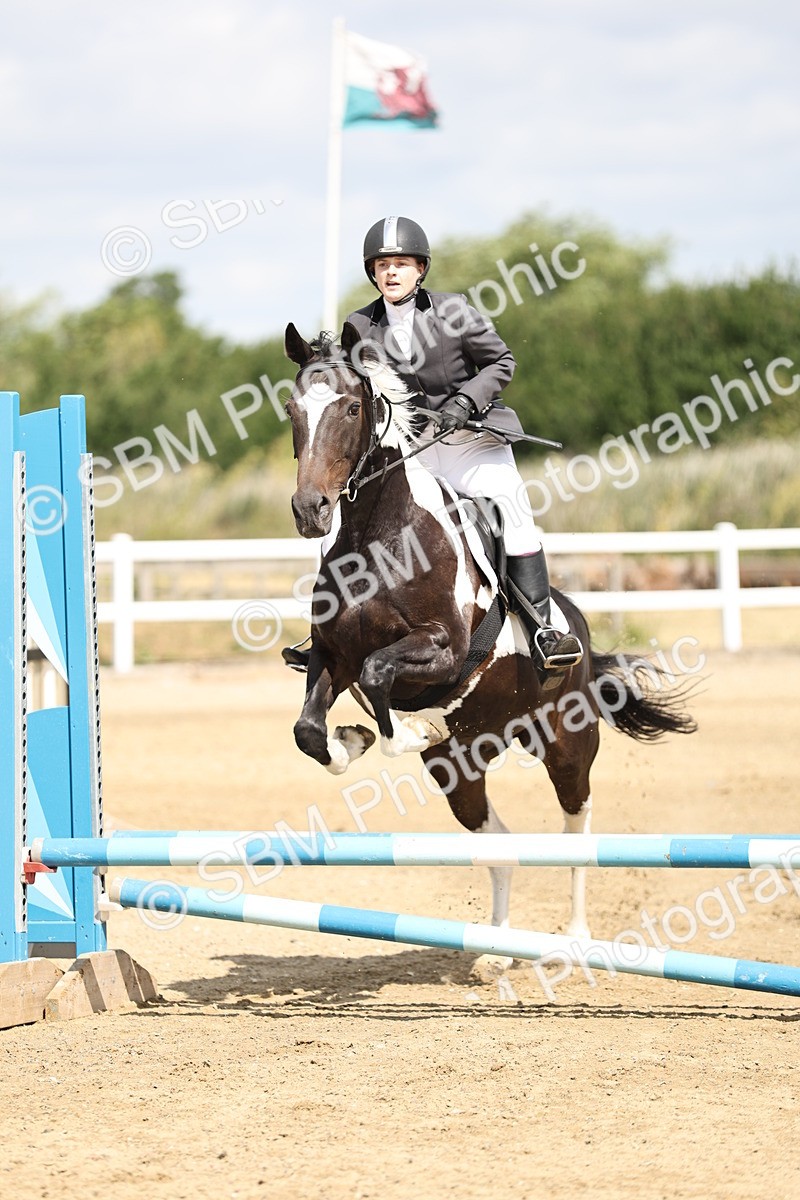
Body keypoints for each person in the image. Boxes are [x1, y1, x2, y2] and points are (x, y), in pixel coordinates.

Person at [283, 215, 582, 677]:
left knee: (513, 513)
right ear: (373, 273)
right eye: (383, 265)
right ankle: (327, 632)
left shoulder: (453, 310)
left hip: (473, 441)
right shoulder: (360, 324)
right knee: (345, 522)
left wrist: (465, 400)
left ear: (420, 269)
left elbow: (502, 361)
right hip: (415, 452)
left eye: (401, 264)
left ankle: (542, 627)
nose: (391, 273)